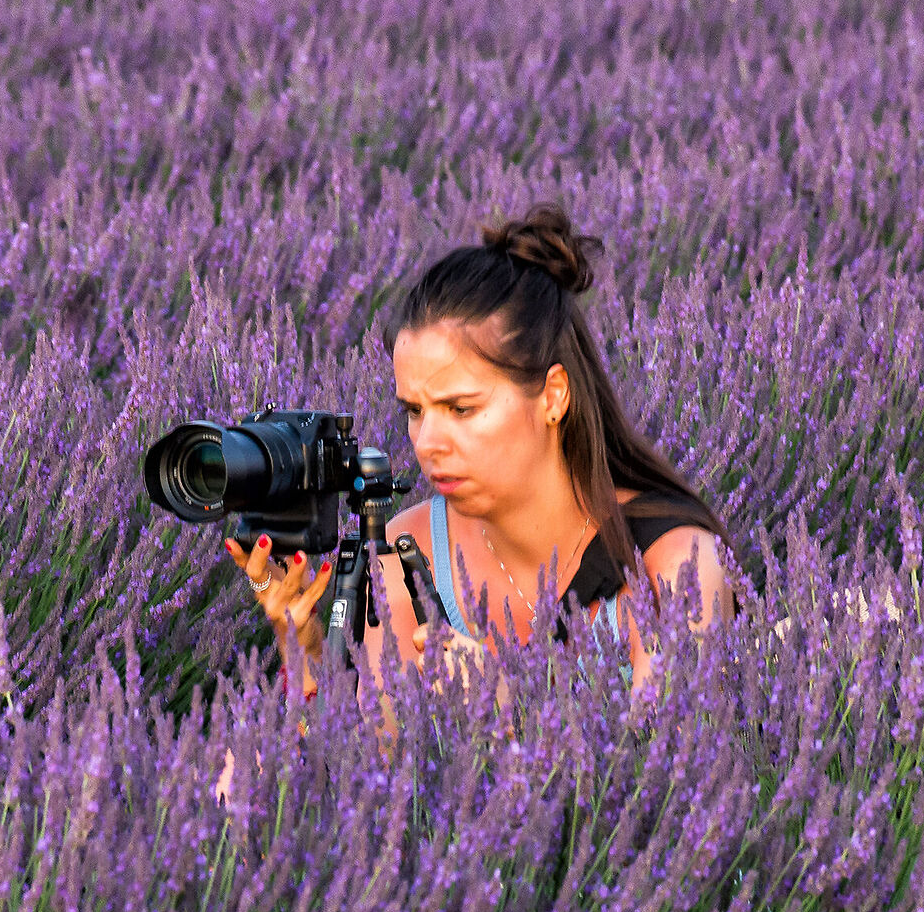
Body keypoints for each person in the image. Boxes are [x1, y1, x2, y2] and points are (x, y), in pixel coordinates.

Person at [227, 202, 733, 700]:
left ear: (553, 396)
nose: (428, 444)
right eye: (415, 410)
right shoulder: (408, 549)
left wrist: (509, 704)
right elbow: (374, 762)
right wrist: (309, 655)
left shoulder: (670, 561)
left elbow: (665, 759)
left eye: (462, 409)